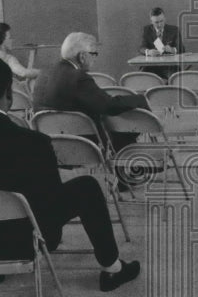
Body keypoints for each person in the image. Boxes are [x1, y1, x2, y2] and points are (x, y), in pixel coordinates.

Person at [0, 55, 140, 291]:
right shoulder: (33, 143)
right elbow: (49, 202)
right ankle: (112, 269)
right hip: (18, 243)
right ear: (9, 94)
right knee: (87, 187)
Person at [32, 32, 148, 188]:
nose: (95, 58)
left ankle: (127, 171)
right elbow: (108, 106)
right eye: (94, 54)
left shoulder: (43, 73)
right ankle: (126, 171)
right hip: (84, 144)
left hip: (49, 144)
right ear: (82, 56)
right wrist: (140, 99)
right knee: (120, 121)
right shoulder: (78, 76)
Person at [138, 6, 185, 81]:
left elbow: (182, 49)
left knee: (175, 80)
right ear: (151, 21)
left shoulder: (174, 30)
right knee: (142, 79)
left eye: (161, 21)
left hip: (169, 66)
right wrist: (149, 52)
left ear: (165, 19)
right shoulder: (146, 30)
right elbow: (141, 48)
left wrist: (172, 49)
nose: (159, 25)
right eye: (156, 22)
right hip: (151, 66)